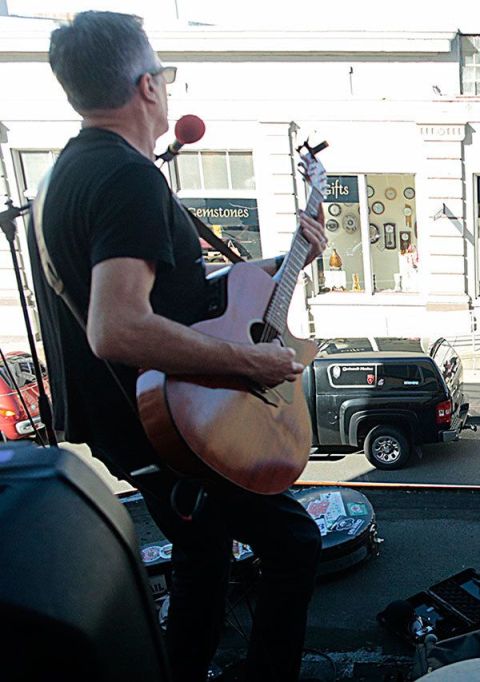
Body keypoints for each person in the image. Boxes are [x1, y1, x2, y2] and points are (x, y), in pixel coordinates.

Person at [34, 12, 328, 681]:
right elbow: (116, 327)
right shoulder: (128, 178)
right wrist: (252, 361)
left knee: (204, 557)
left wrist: (288, 262)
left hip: (132, 423)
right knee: (293, 542)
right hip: (167, 430)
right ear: (147, 86)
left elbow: (181, 301)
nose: (166, 87)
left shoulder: (65, 173)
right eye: (164, 76)